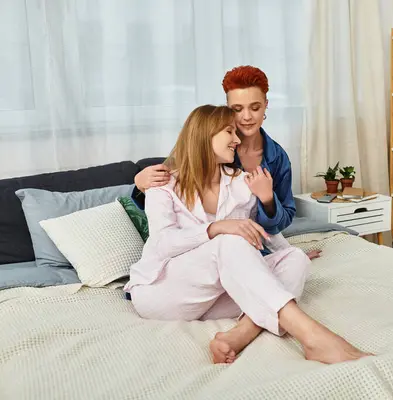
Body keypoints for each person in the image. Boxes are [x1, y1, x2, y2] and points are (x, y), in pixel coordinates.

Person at [124, 105, 370, 365]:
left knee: (295, 259)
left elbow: (261, 232)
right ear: (204, 135)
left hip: (214, 297)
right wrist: (216, 228)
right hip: (164, 292)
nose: (237, 140)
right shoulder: (162, 183)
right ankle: (314, 337)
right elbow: (162, 244)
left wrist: (284, 254)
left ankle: (239, 335)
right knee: (229, 240)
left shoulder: (241, 183)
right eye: (229, 131)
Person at [131, 65, 295, 237]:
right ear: (227, 107)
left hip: (253, 244)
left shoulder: (278, 158)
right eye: (237, 109)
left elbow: (285, 219)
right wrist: (139, 184)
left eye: (255, 107)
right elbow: (164, 193)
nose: (247, 117)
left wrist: (268, 200)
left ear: (265, 105)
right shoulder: (209, 146)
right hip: (200, 245)